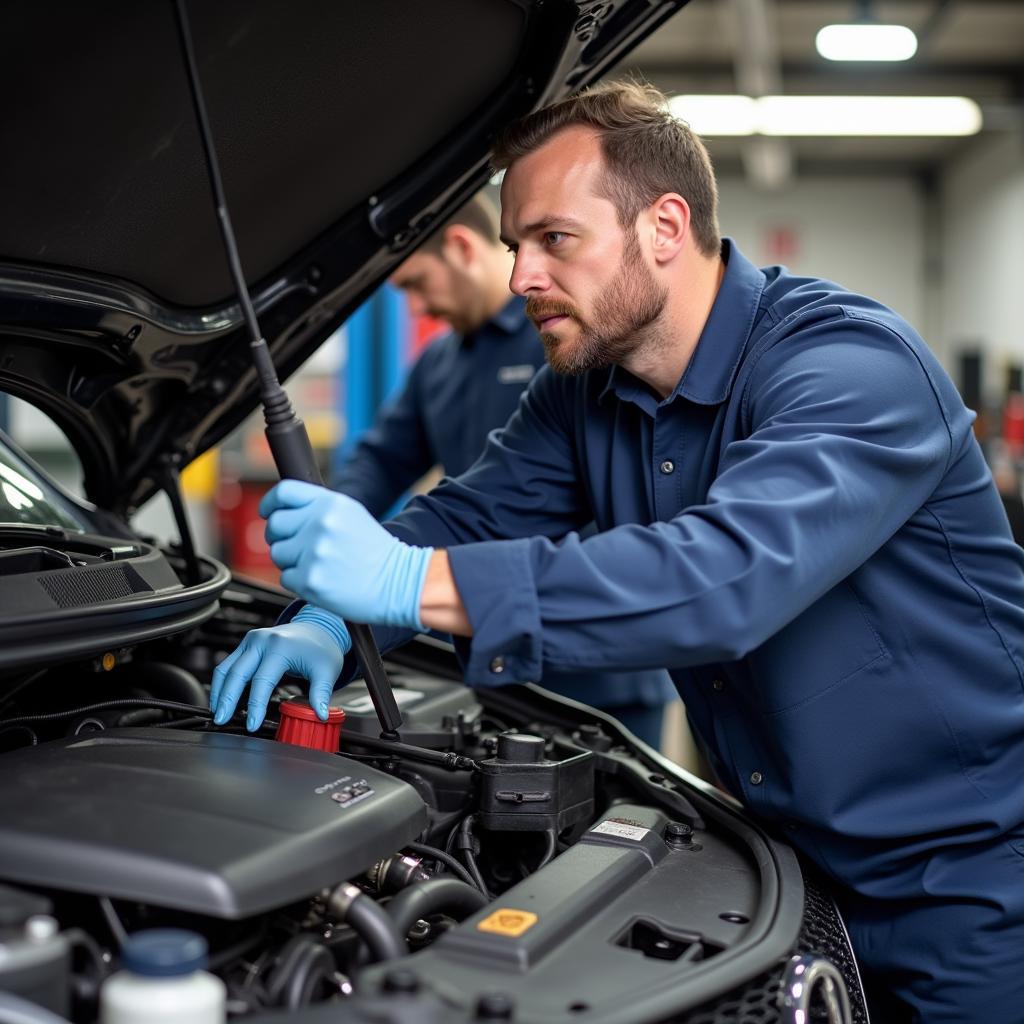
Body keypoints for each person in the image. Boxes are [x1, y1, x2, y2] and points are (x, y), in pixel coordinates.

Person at [210, 81, 1024, 1022]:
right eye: (517, 245)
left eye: (555, 238)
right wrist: (324, 617)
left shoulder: (850, 368)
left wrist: (403, 580)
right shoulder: (584, 392)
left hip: (970, 887)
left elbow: (723, 576)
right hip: (787, 871)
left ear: (665, 227)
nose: (521, 276)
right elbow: (474, 516)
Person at [330, 192, 675, 746]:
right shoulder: (438, 364)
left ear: (463, 248)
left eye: (417, 285)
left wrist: (402, 582)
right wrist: (334, 531)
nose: (417, 308)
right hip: (485, 652)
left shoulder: (573, 344)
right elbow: (384, 461)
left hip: (598, 668)